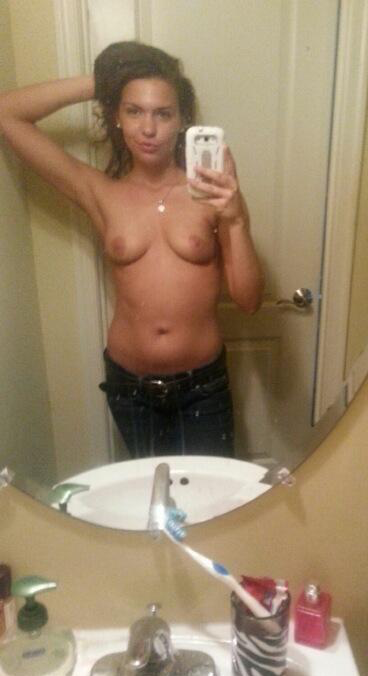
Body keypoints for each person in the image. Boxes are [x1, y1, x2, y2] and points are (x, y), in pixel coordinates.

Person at [0, 41, 264, 458]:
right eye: (134, 110)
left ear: (182, 120)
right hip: (130, 387)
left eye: (163, 113)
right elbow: (7, 113)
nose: (148, 128)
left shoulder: (214, 195)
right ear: (116, 117)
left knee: (212, 496)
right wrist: (108, 80)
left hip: (203, 386)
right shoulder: (99, 192)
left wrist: (236, 220)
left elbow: (249, 301)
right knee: (146, 493)